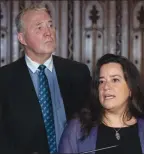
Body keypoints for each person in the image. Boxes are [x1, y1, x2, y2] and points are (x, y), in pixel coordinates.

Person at [0, 3, 91, 154]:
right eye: (39, 27)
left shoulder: (78, 72)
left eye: (50, 25)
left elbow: (92, 121)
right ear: (22, 38)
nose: (48, 32)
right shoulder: (4, 79)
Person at [58, 53, 144, 154]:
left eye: (115, 80)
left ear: (131, 88)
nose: (106, 87)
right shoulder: (78, 128)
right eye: (101, 81)